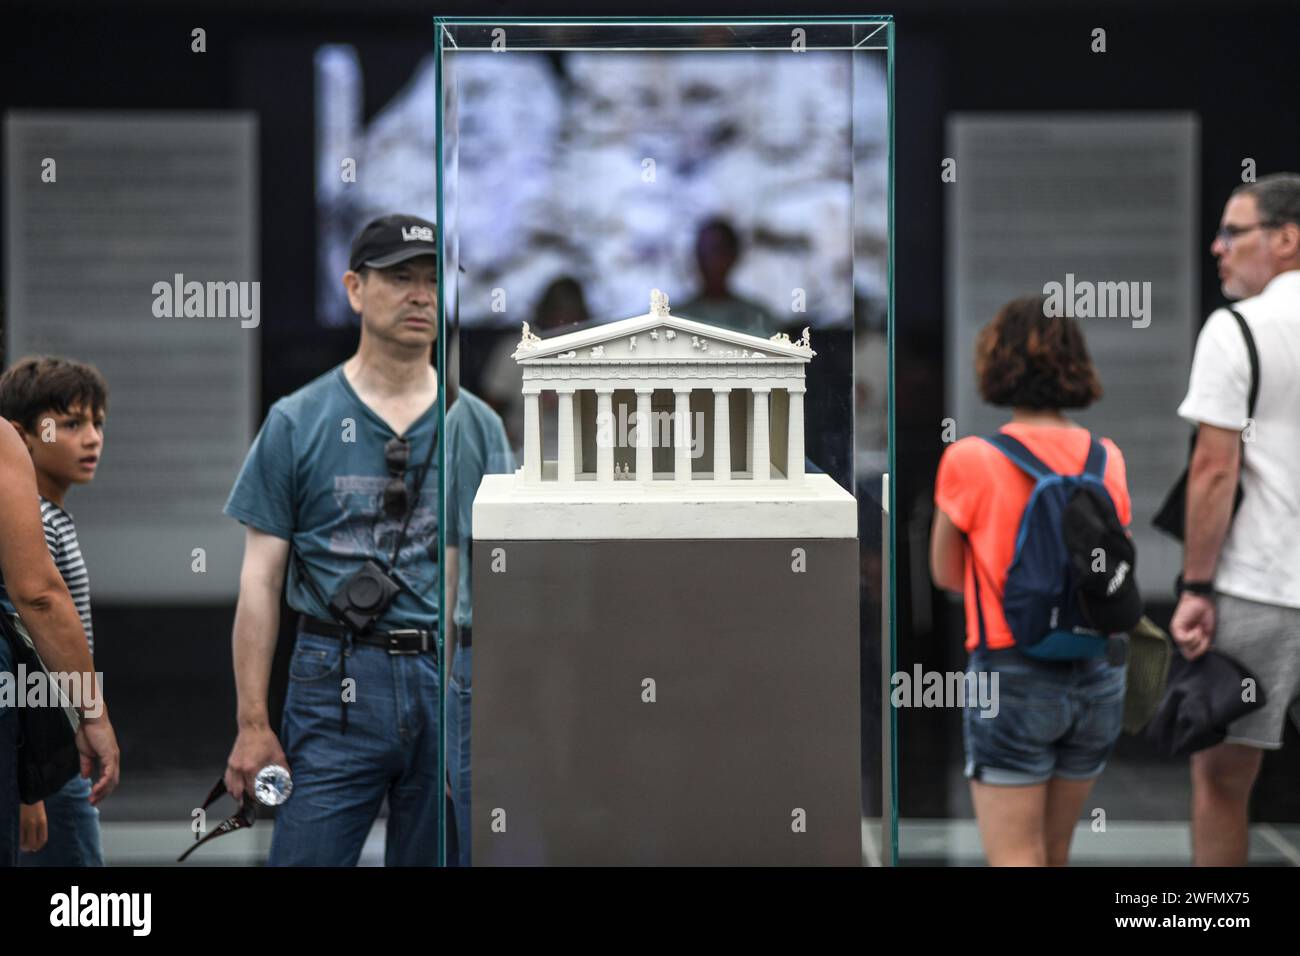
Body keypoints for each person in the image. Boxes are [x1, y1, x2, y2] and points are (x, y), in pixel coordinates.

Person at [222, 213, 442, 866]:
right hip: (336, 671)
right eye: (400, 278)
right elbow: (260, 580)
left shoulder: (473, 425)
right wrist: (253, 724)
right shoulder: (298, 421)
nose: (421, 295)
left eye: (432, 280)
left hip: (449, 674)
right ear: (354, 289)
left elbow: (504, 575)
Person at [930, 294, 1131, 866]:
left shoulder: (970, 458)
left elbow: (946, 574)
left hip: (1010, 670)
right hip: (1097, 674)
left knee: (1016, 856)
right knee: (1054, 852)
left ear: (997, 363)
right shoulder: (1106, 458)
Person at [1171, 173, 1300, 866]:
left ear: (1286, 239)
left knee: (1222, 780)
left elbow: (1215, 470)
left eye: (1234, 231)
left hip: (1260, 587)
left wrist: (1195, 587)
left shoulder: (1237, 330)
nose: (1218, 247)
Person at [0, 356, 110, 866]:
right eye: (70, 424)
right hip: (44, 751)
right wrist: (31, 786)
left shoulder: (54, 517)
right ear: (21, 436)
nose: (91, 438)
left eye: (97, 424)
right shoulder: (32, 525)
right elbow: (28, 646)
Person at [443, 372, 514, 867]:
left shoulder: (471, 420)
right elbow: (455, 557)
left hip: (508, 645)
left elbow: (455, 555)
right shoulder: (471, 420)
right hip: (485, 646)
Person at [678, 217, 778, 338]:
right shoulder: (674, 318)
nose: (709, 261)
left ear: (733, 256)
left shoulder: (759, 319)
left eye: (717, 252)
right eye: (703, 252)